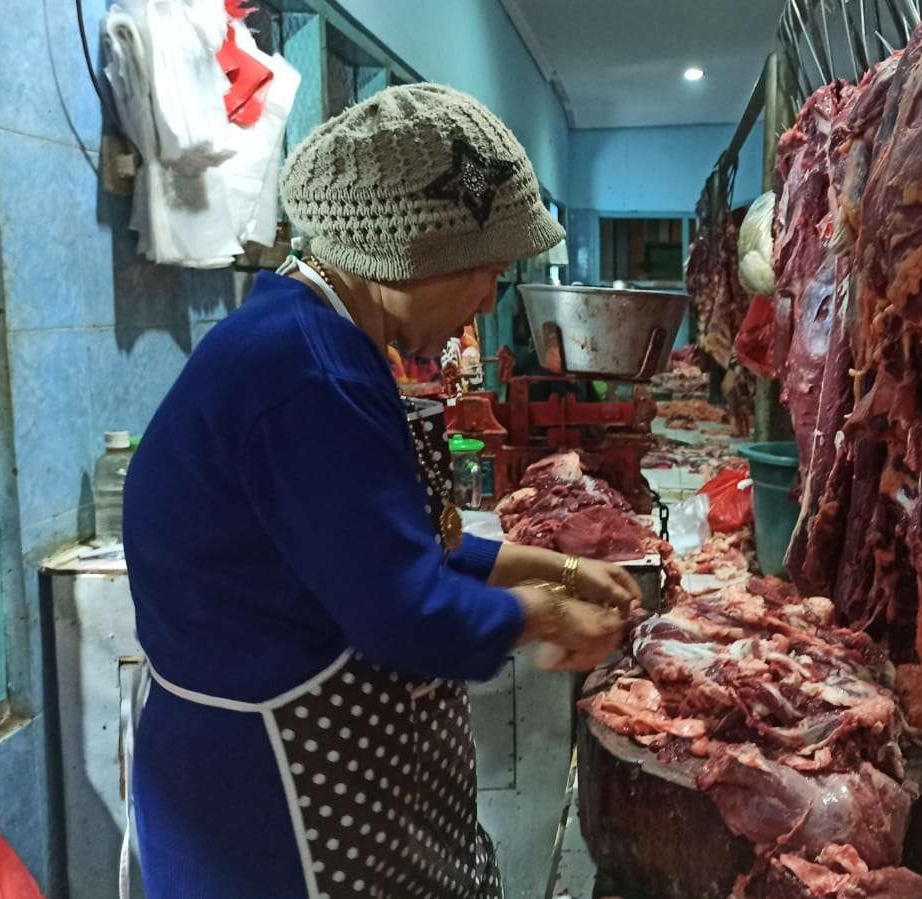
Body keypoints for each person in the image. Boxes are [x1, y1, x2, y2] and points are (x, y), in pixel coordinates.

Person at [123, 84, 635, 899]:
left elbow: (400, 547)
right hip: (273, 802)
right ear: (419, 255)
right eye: (488, 273)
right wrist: (544, 613)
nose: (486, 303)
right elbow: (403, 609)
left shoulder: (316, 335)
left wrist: (559, 569)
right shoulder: (311, 373)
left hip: (331, 782)